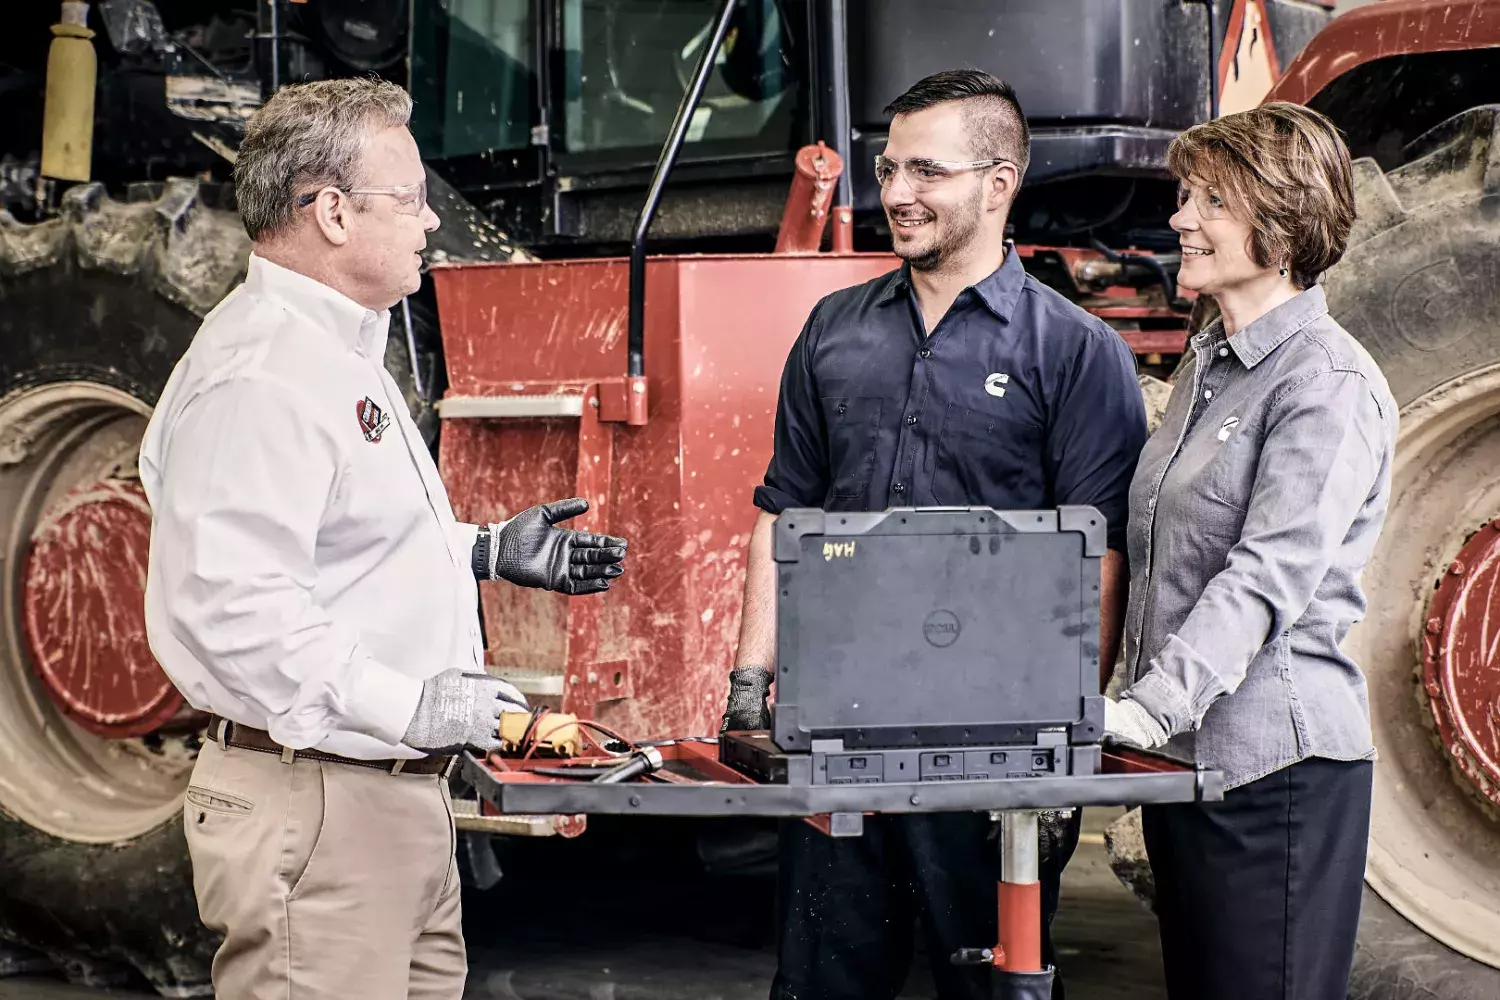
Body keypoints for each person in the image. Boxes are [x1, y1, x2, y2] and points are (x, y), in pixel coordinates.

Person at [139, 78, 628, 999]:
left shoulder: (338, 350)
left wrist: (478, 551)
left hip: (388, 802)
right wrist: (411, 706)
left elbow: (333, 540)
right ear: (329, 212)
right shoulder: (260, 379)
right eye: (407, 199)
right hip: (320, 807)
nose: (431, 222)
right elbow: (236, 607)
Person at [723, 69, 1148, 1000]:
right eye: (890, 167)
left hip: (994, 741)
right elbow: (784, 513)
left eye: (928, 171)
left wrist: (1069, 744)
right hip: (840, 730)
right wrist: (749, 686)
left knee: (992, 981)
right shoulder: (833, 330)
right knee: (824, 982)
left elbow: (1101, 555)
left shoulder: (1074, 352)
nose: (898, 193)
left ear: (998, 184)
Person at [1104, 102, 1397, 1000]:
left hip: (1276, 776)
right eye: (1185, 198)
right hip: (1187, 765)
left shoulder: (1325, 382)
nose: (1180, 220)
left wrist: (1151, 706)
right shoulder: (1210, 362)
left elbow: (1268, 574)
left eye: (1208, 204)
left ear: (1280, 223)